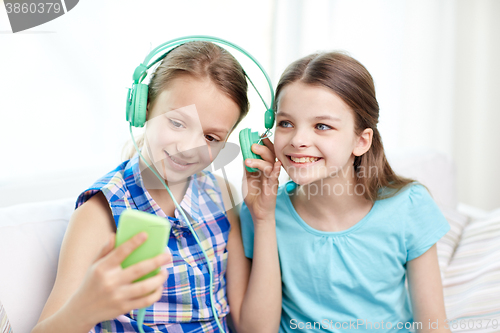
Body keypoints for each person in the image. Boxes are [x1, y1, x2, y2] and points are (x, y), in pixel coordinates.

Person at [32, 40, 279, 333]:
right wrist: (87, 305)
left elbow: (255, 329)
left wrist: (263, 218)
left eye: (211, 138)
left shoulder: (221, 194)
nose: (189, 148)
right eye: (177, 123)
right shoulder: (100, 213)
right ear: (144, 108)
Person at [240, 52, 452, 333]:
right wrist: (264, 220)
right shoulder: (260, 212)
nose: (298, 140)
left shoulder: (409, 207)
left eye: (322, 126)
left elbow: (433, 326)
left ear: (361, 140)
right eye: (286, 123)